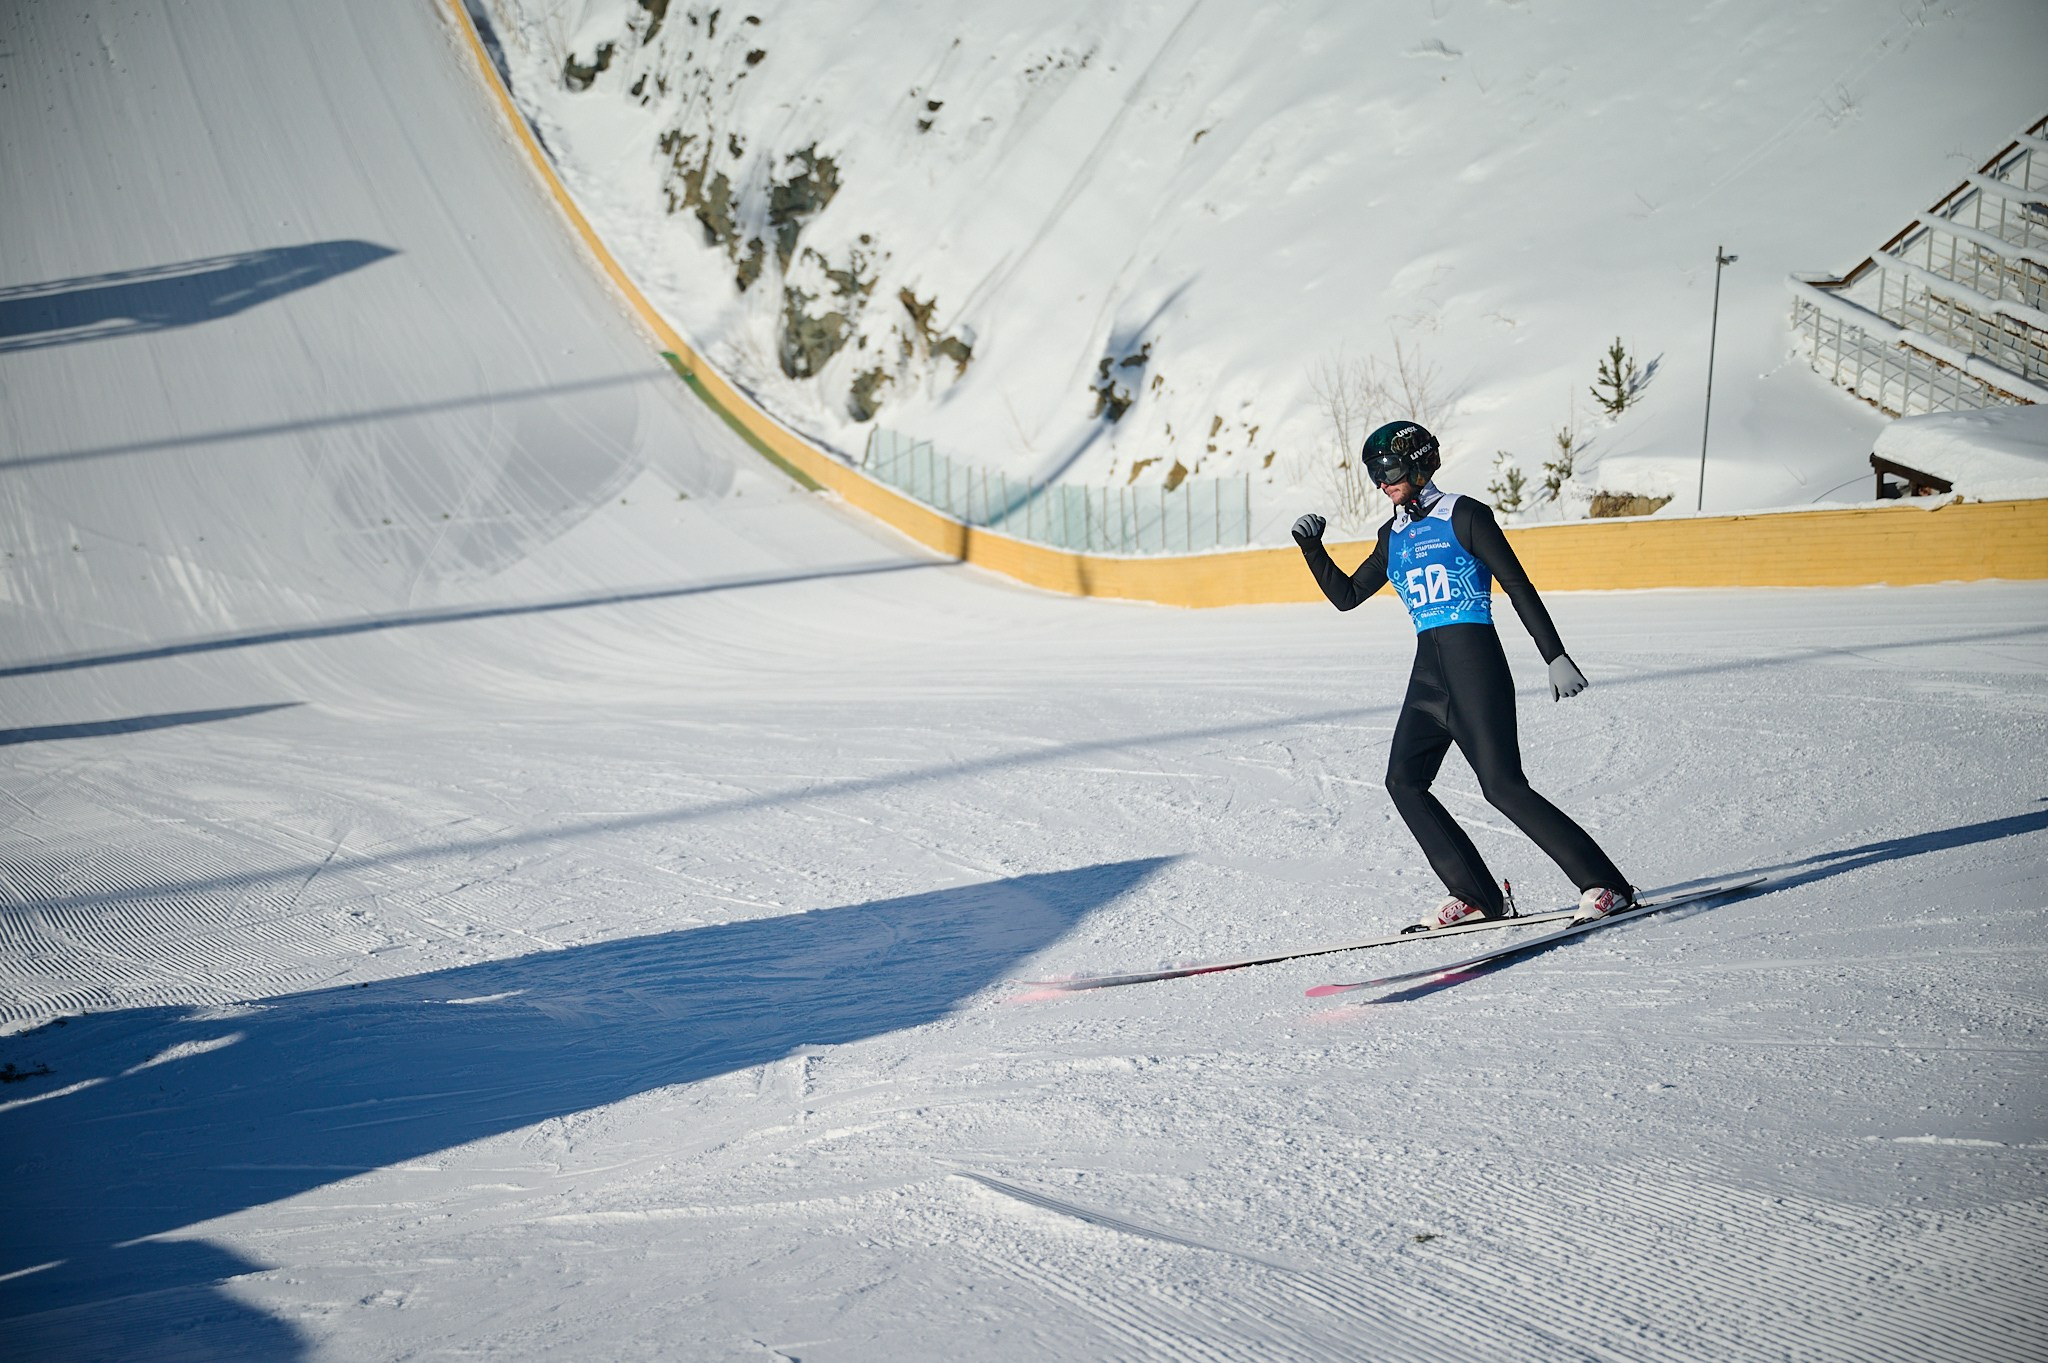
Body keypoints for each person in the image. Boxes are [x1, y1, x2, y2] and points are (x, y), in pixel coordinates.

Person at [1292, 420, 1635, 931]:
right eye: (1373, 474)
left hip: (1476, 667)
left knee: (1502, 786)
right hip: (1428, 677)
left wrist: (1554, 654)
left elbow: (1517, 584)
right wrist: (1312, 548)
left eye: (1386, 469)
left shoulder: (1465, 514)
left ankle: (1606, 885)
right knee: (1403, 781)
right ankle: (1475, 895)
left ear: (1417, 462)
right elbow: (1347, 597)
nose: (1381, 482)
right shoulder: (1394, 534)